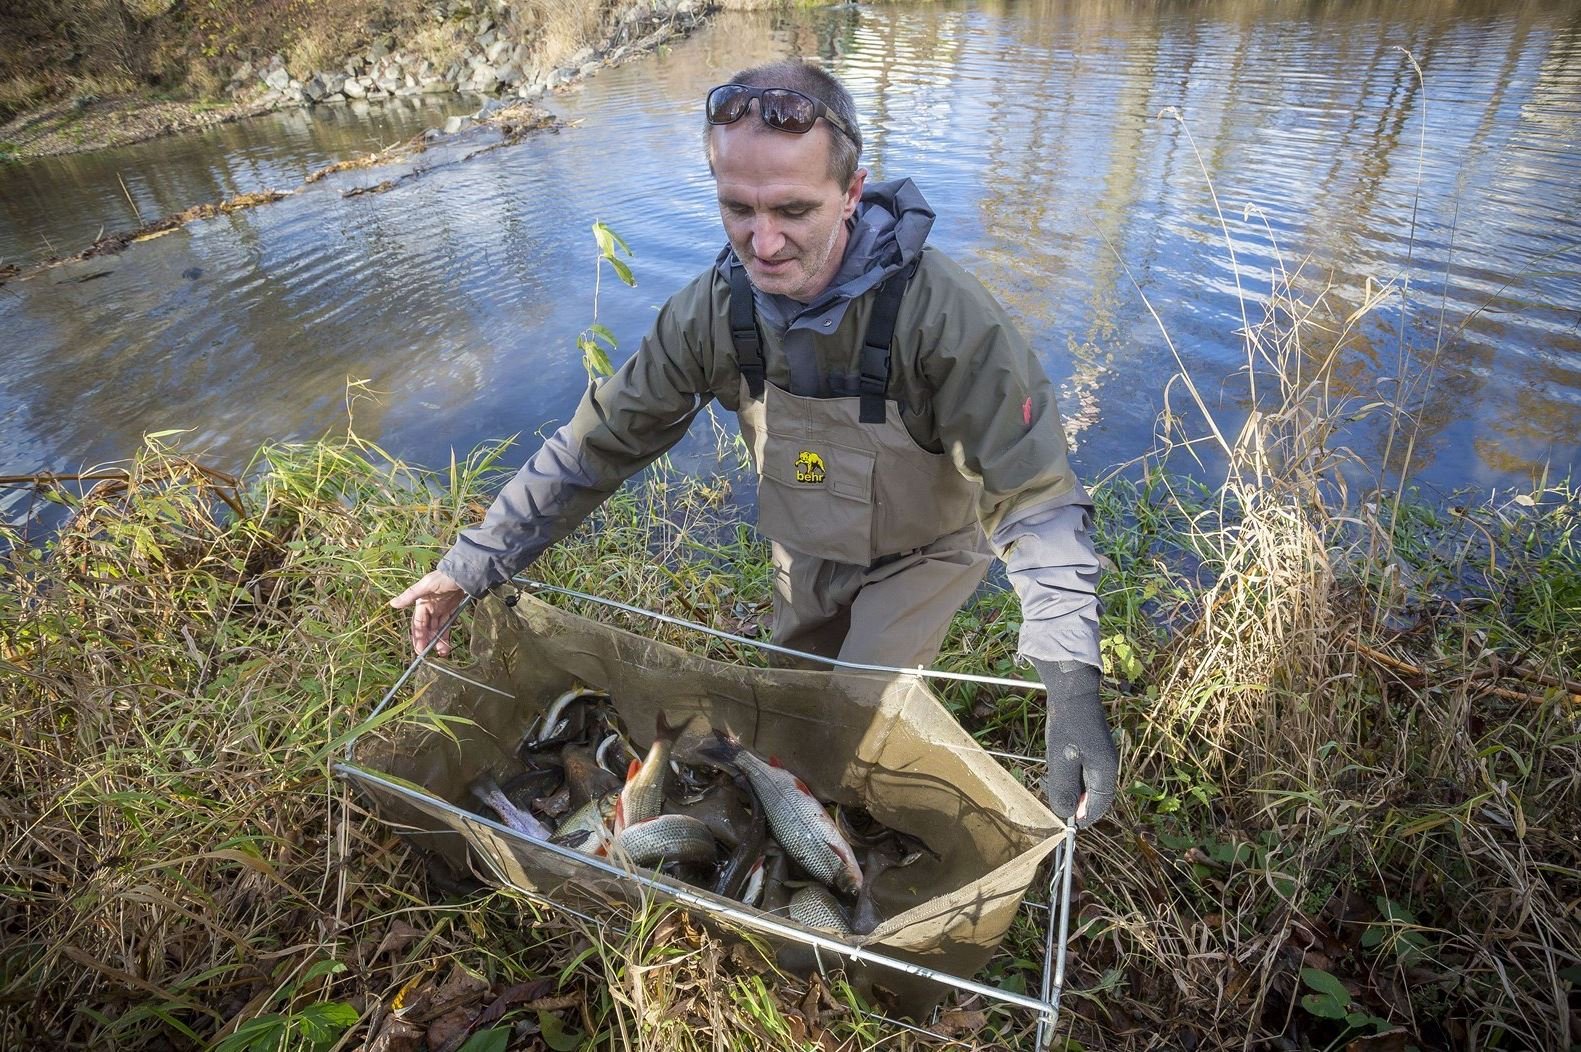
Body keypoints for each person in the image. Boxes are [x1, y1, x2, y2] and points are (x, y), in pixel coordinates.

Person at [392, 61, 1119, 828]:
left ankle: (853, 828)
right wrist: (470, 565)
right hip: (802, 545)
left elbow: (1035, 501)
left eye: (792, 210)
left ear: (850, 190)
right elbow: (593, 447)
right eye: (736, 207)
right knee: (790, 709)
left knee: (857, 708)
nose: (761, 243)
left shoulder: (948, 320)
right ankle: (793, 817)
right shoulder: (712, 309)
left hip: (924, 551)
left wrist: (1070, 684)